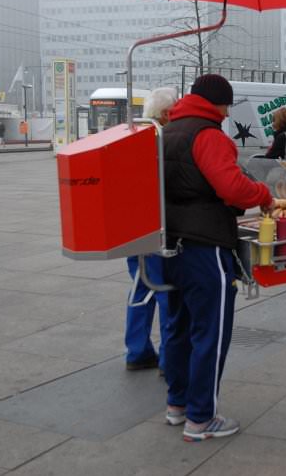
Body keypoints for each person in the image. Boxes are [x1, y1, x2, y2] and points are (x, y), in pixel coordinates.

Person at [162, 74, 273, 441]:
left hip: (169, 242)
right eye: (226, 107)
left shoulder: (168, 131)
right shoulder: (208, 135)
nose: (227, 115)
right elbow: (231, 187)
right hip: (205, 244)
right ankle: (201, 418)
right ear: (218, 105)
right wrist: (261, 194)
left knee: (177, 327)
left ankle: (177, 405)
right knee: (210, 331)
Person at [124, 87, 178, 372]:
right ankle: (170, 359)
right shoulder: (163, 140)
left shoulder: (133, 137)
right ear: (167, 114)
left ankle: (137, 350)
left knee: (139, 289)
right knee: (165, 292)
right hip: (158, 231)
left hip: (133, 232)